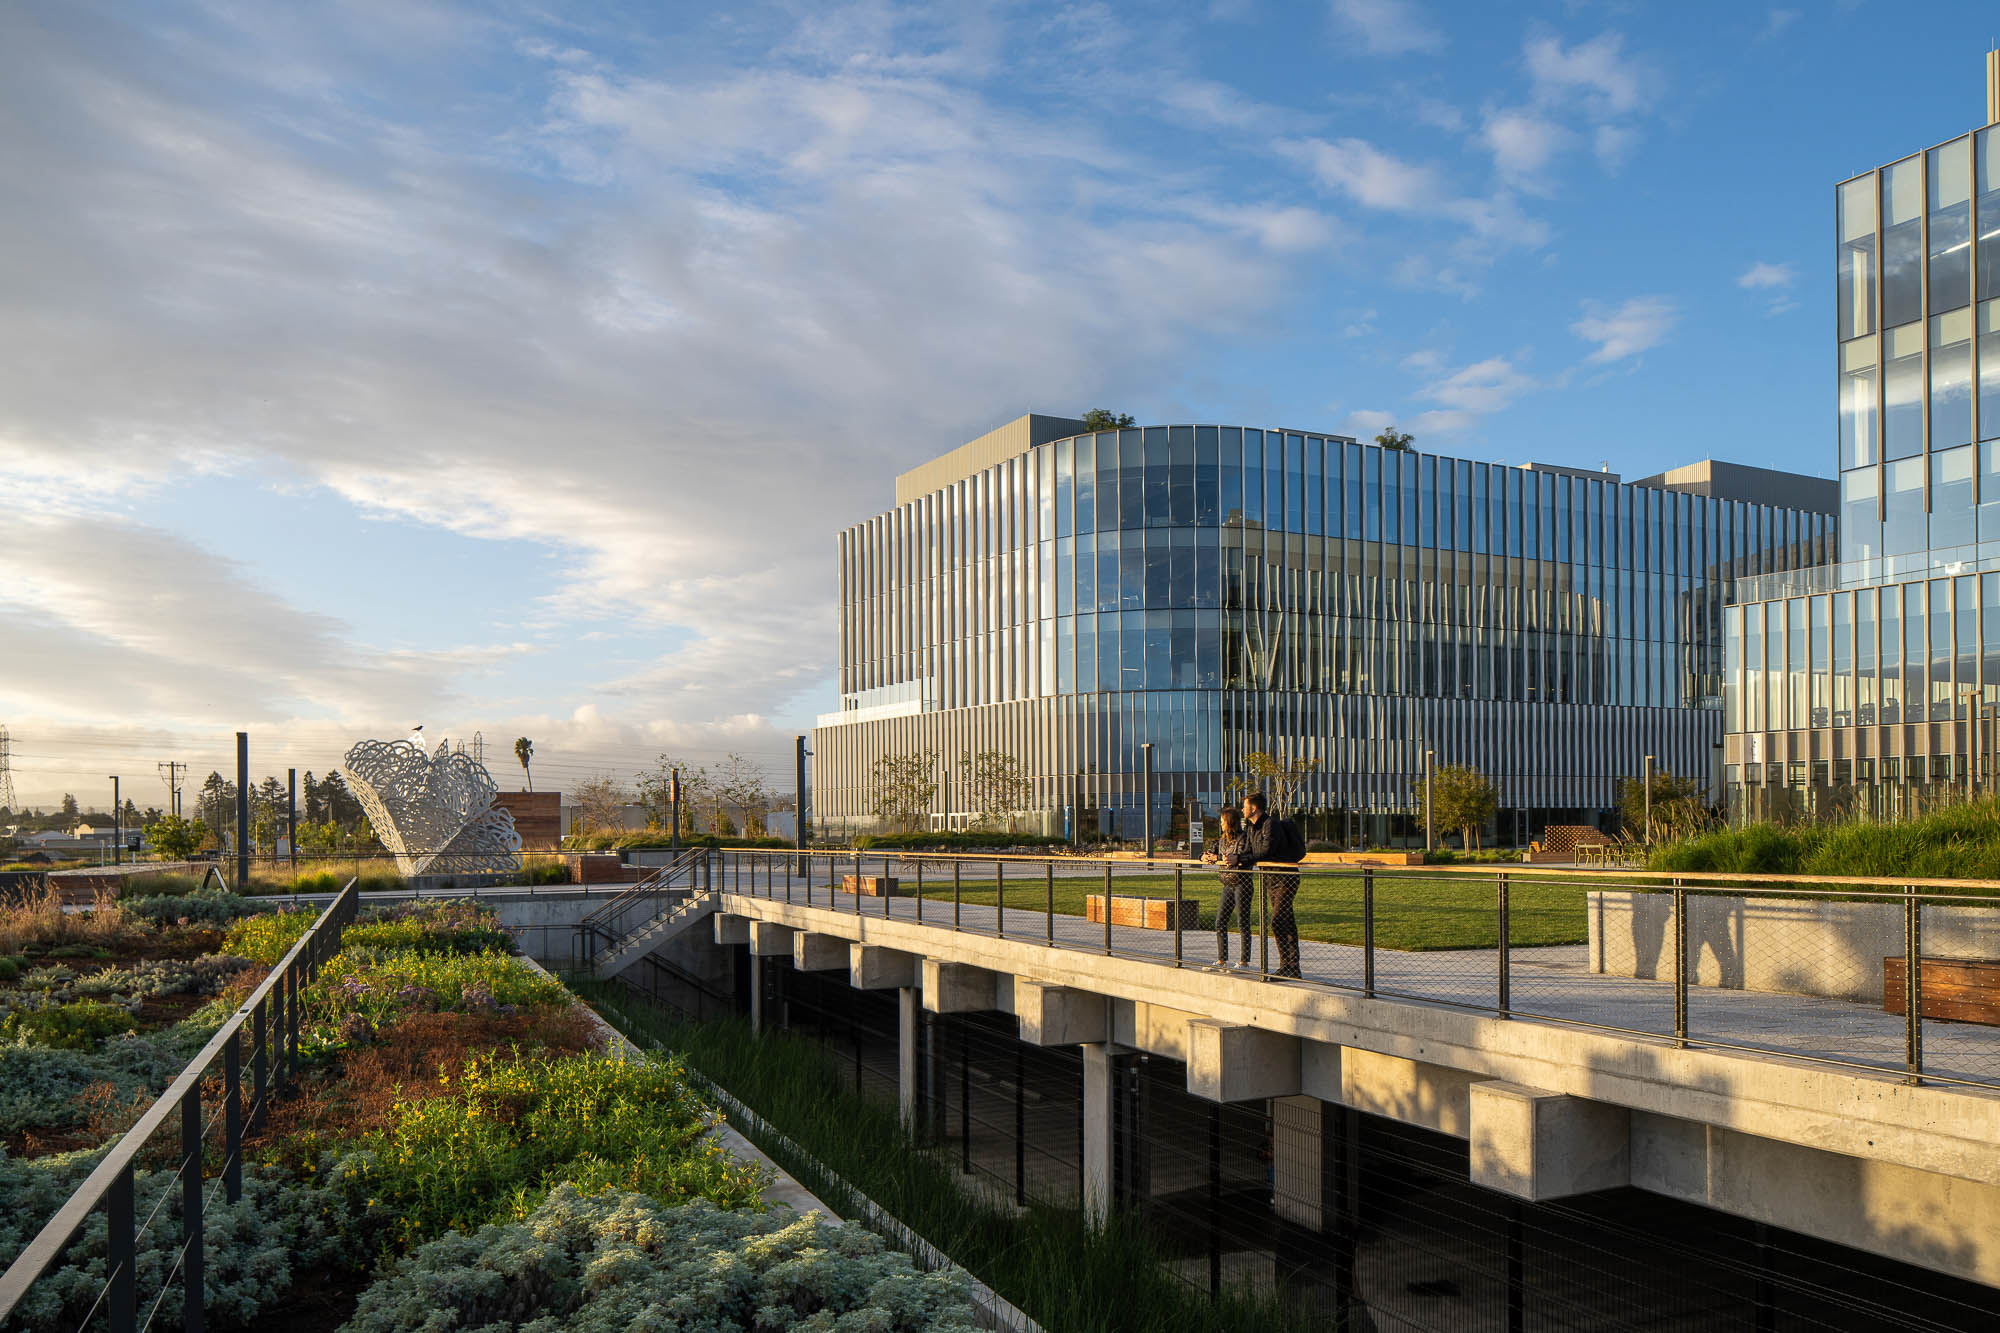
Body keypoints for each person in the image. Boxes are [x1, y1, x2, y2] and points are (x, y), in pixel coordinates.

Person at [1242, 791, 1305, 978]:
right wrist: (1236, 857)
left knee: (1277, 920)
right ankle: (1291, 967)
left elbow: (1264, 851)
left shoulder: (1271, 825)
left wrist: (1245, 858)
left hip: (1286, 878)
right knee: (1286, 920)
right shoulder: (1251, 827)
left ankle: (1289, 965)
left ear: (1254, 808)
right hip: (1271, 879)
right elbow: (1248, 850)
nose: (1242, 809)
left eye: (1245, 806)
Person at [1202, 806, 1254, 968]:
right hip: (1227, 884)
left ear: (1230, 822)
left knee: (1242, 922)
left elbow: (1243, 854)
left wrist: (1229, 858)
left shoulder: (1244, 838)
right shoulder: (1222, 839)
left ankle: (1244, 962)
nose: (1221, 824)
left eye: (1223, 821)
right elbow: (1211, 852)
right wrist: (1205, 856)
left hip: (1242, 883)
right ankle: (1221, 960)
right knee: (1220, 921)